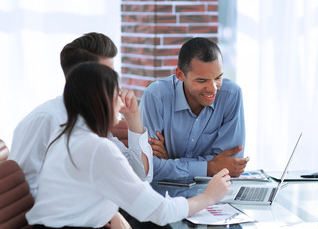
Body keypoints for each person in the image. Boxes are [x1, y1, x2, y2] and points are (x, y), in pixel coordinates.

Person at [26, 62, 231, 228]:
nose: (122, 102)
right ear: (102, 100)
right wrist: (208, 197)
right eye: (117, 93)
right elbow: (159, 211)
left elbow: (139, 176)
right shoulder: (96, 147)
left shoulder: (63, 134)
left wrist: (111, 214)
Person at [9, 32, 151, 199]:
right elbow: (23, 192)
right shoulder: (45, 120)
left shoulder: (93, 119)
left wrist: (133, 117)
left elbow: (139, 177)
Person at [140, 37, 248, 180]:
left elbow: (230, 165)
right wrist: (209, 167)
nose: (212, 88)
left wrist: (172, 162)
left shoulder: (231, 95)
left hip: (216, 191)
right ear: (180, 75)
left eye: (218, 78)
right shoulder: (156, 96)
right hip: (165, 194)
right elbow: (147, 167)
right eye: (202, 80)